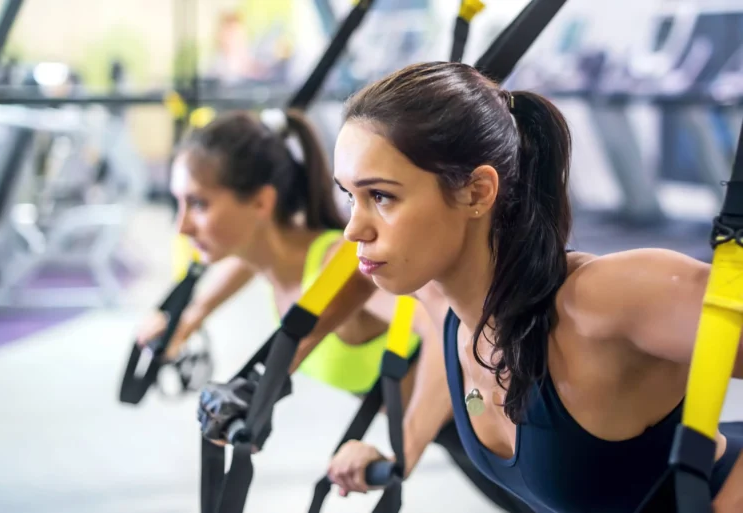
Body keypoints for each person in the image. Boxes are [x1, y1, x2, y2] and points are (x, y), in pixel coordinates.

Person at [326, 61, 743, 512]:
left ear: (477, 192)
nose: (354, 228)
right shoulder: (443, 305)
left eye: (381, 196)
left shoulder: (604, 301)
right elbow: (332, 289)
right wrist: (400, 452)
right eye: (350, 196)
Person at [136, 108, 533, 512]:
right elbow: (243, 263)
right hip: (459, 431)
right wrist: (186, 320)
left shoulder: (346, 269)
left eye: (198, 203)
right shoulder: (278, 268)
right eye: (179, 202)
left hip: (490, 423)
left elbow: (447, 326)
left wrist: (403, 449)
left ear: (260, 202)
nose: (181, 226)